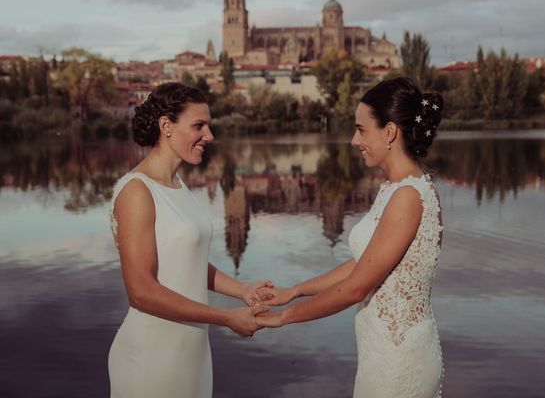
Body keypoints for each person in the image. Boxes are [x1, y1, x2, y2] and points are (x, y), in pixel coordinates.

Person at [256, 77, 445, 398]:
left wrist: (283, 319)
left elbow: (357, 288)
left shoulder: (408, 197)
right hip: (381, 353)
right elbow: (363, 265)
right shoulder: (394, 189)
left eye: (361, 129)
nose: (354, 141)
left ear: (389, 132)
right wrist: (294, 291)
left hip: (398, 362)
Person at [108, 83, 271, 398]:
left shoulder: (178, 184)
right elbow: (140, 292)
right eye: (199, 125)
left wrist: (242, 290)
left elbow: (185, 259)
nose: (209, 136)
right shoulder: (137, 191)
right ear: (166, 126)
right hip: (152, 358)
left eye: (208, 125)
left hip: (192, 354)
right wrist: (225, 317)